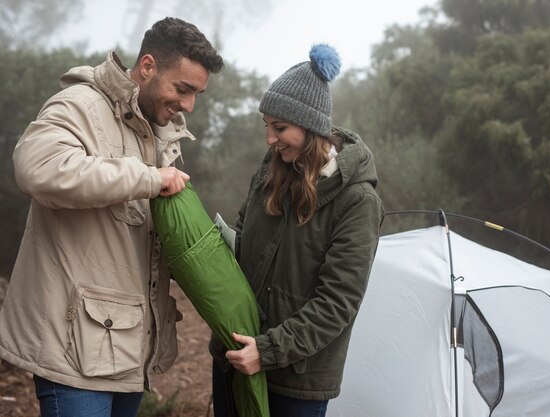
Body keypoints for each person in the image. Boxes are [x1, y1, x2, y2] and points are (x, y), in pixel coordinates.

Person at [0, 17, 223, 417]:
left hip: (125, 350)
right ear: (148, 66)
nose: (188, 105)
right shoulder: (79, 105)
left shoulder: (158, 130)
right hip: (71, 352)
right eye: (183, 89)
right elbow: (37, 168)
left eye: (197, 94)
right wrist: (148, 178)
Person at [210, 44, 384, 417]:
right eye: (266, 126)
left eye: (280, 128)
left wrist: (269, 350)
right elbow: (244, 232)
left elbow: (337, 302)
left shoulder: (358, 201)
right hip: (234, 357)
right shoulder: (271, 168)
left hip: (296, 381)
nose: (269, 139)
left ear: (310, 127)